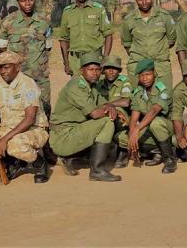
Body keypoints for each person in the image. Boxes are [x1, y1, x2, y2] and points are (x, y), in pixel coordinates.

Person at [0, 51, 50, 183]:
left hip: (33, 130)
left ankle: (40, 164)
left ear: (17, 67)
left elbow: (29, 119)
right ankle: (12, 161)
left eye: (6, 67)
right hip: (7, 129)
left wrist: (4, 140)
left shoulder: (28, 84)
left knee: (14, 145)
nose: (2, 71)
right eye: (0, 67)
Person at [49, 54, 121, 182]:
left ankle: (71, 158)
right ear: (82, 71)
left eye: (97, 70)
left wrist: (110, 107)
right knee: (106, 122)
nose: (95, 73)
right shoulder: (77, 86)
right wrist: (110, 109)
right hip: (63, 136)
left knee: (111, 123)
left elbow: (103, 105)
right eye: (91, 69)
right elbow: (95, 113)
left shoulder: (92, 86)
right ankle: (97, 171)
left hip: (73, 131)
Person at [0, 0, 52, 116]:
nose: (27, 3)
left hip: (40, 77)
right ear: (18, 2)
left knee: (44, 110)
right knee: (17, 111)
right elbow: (1, 48)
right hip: (17, 77)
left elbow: (48, 47)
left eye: (30, 0)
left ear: (34, 0)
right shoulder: (8, 22)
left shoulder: (44, 21)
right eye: (23, 1)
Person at [118, 59, 176, 174]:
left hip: (167, 128)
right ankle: (157, 151)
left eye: (148, 74)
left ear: (154, 73)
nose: (145, 78)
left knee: (156, 123)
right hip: (148, 127)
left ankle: (169, 159)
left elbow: (154, 110)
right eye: (141, 75)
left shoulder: (163, 88)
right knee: (122, 138)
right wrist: (132, 140)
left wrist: (138, 129)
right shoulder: (138, 92)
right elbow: (134, 118)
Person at [121, 0, 176, 87]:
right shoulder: (129, 20)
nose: (144, 2)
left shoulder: (164, 16)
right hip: (137, 66)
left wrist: (157, 52)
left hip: (160, 66)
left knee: (164, 98)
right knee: (138, 99)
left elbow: (171, 40)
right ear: (136, 0)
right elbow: (127, 44)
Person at [57, 0, 112, 76]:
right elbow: (64, 39)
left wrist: (105, 58)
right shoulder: (67, 12)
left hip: (94, 58)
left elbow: (108, 34)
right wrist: (66, 63)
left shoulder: (98, 9)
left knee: (96, 89)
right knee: (77, 90)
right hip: (75, 61)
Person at [96, 55, 133, 168]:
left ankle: (123, 152)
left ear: (119, 71)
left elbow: (126, 101)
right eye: (108, 68)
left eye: (114, 68)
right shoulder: (98, 83)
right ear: (103, 70)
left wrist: (109, 105)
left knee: (116, 112)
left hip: (122, 120)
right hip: (104, 115)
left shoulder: (124, 81)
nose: (111, 71)